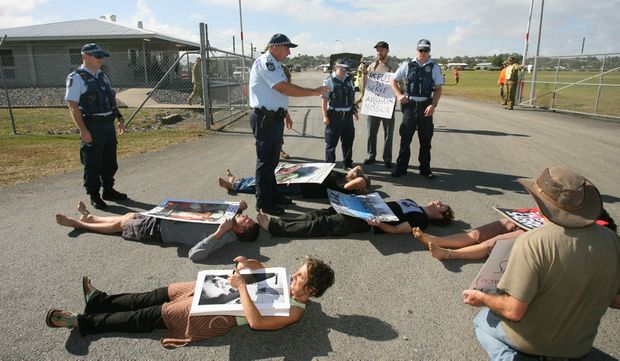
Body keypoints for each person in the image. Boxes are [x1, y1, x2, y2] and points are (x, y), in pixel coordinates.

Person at [463, 165, 620, 360]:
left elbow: (513, 310)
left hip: (530, 342)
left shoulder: (533, 241)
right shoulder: (612, 240)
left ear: (540, 203)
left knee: (482, 321)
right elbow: (617, 300)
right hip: (579, 347)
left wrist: (482, 298)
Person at [45, 256, 335, 348]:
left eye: (298, 276)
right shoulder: (290, 282)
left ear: (309, 290)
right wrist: (250, 264)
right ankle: (99, 300)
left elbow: (257, 323)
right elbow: (264, 272)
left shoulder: (295, 312)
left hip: (217, 311)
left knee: (148, 316)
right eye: (295, 272)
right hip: (217, 289)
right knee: (152, 295)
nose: (292, 275)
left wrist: (242, 287)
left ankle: (82, 322)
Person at [249, 33, 328, 216]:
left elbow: (276, 95)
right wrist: (314, 91)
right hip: (264, 119)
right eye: (287, 48)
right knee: (265, 162)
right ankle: (263, 202)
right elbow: (283, 88)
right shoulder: (266, 62)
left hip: (273, 118)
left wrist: (285, 113)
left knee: (273, 161)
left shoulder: (275, 64)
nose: (290, 53)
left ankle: (273, 195)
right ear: (275, 47)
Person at [55, 200, 260, 263]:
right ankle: (91, 217)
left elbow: (195, 255)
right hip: (165, 216)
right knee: (127, 217)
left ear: (240, 231)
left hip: (161, 230)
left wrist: (218, 233)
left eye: (246, 220)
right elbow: (212, 206)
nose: (244, 216)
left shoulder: (225, 237)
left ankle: (80, 224)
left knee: (120, 227)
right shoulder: (230, 218)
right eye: (246, 215)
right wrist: (237, 206)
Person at [414, 208, 617, 261]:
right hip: (538, 225)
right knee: (498, 226)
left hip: (544, 235)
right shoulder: (564, 206)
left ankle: (449, 253)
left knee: (494, 243)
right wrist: (512, 215)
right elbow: (531, 211)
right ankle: (438, 240)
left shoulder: (601, 228)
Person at [65, 43, 127, 210]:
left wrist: (119, 118)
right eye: (97, 57)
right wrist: (83, 130)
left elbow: (110, 100)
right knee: (93, 162)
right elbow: (73, 106)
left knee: (110, 160)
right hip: (92, 126)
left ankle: (108, 189)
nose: (101, 60)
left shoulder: (102, 76)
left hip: (108, 125)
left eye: (102, 57)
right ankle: (94, 195)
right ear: (85, 57)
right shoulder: (76, 78)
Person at [257, 199, 453, 238]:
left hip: (366, 221)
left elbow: (397, 230)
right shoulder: (414, 203)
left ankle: (276, 228)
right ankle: (280, 223)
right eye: (439, 202)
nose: (437, 202)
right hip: (363, 208)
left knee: (323, 225)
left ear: (439, 216)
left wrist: (379, 224)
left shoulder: (422, 220)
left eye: (441, 206)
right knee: (320, 213)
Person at [390, 39, 444, 179]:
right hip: (410, 106)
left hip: (426, 106)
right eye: (421, 50)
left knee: (425, 140)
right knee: (405, 138)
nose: (423, 53)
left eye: (426, 50)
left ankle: (425, 169)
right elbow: (393, 80)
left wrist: (433, 105)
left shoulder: (434, 67)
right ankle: (401, 168)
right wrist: (399, 95)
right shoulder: (407, 65)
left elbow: (438, 89)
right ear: (416, 50)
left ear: (429, 52)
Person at [219, 165, 371, 197]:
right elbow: (358, 169)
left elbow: (361, 184)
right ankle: (238, 180)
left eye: (357, 173)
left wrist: (362, 186)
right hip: (301, 175)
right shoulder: (342, 175)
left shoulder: (344, 186)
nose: (355, 170)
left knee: (269, 185)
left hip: (301, 187)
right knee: (268, 177)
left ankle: (234, 186)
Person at [362, 41, 397, 169]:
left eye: (381, 50)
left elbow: (400, 83)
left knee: (388, 133)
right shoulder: (372, 66)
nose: (379, 52)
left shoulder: (394, 66)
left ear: (387, 50)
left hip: (387, 105)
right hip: (373, 104)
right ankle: (371, 155)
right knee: (371, 132)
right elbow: (366, 86)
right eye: (377, 50)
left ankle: (387, 158)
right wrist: (364, 74)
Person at [321, 59, 359, 169]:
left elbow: (351, 98)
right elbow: (324, 100)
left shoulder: (349, 80)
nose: (344, 71)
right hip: (334, 117)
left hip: (347, 116)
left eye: (346, 69)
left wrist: (354, 111)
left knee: (348, 142)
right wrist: (325, 116)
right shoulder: (329, 81)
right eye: (341, 68)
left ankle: (347, 164)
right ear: (336, 67)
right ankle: (329, 167)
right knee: (331, 143)